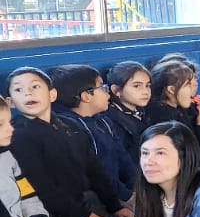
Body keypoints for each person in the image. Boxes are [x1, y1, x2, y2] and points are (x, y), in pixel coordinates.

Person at [7, 67, 130, 217]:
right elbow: (42, 187)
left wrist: (115, 205)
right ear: (11, 102)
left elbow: (94, 169)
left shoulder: (68, 124)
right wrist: (83, 216)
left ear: (52, 94)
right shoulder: (20, 135)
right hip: (55, 212)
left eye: (35, 87)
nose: (27, 93)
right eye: (18, 90)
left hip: (87, 200)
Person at [53, 64, 137, 206]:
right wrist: (126, 197)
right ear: (86, 96)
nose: (107, 92)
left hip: (121, 191)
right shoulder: (74, 129)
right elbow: (101, 171)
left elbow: (123, 158)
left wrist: (136, 187)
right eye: (102, 87)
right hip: (102, 197)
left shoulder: (103, 120)